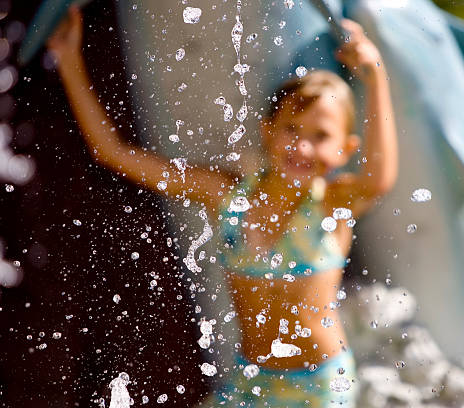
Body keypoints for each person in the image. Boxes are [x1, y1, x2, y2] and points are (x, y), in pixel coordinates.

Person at [48, 7, 397, 407]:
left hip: (318, 387)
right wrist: (70, 60)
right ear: (267, 131)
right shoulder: (227, 195)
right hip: (252, 380)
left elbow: (378, 180)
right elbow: (112, 153)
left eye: (320, 136)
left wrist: (375, 76)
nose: (302, 146)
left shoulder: (330, 204)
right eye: (291, 129)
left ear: (344, 149)